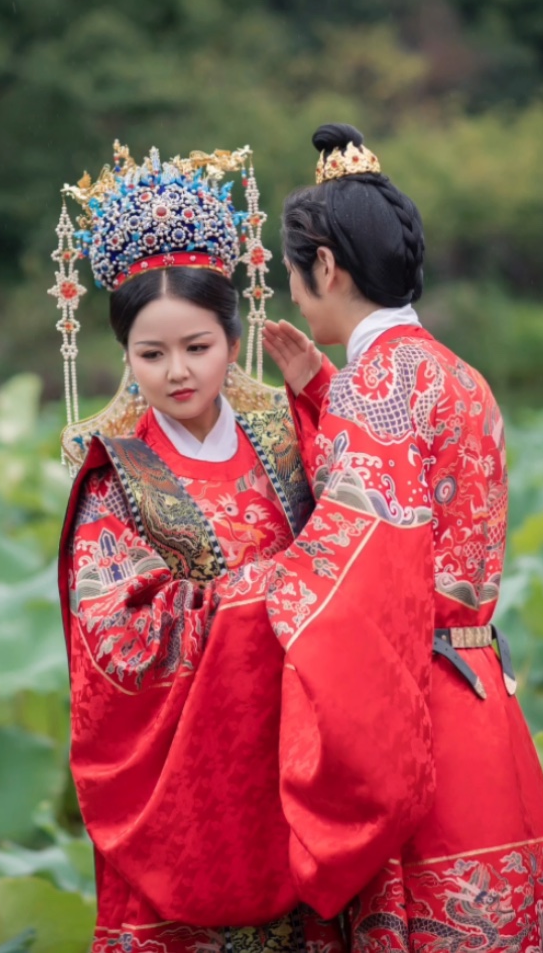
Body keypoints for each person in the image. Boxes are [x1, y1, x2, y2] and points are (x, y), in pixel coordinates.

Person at [250, 124, 543, 950]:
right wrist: (315, 390)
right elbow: (417, 492)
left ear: (325, 267)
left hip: (420, 706)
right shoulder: (453, 372)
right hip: (481, 684)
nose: (293, 294)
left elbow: (360, 556)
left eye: (292, 275)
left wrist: (247, 592)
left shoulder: (376, 385)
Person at [49, 143, 343, 950]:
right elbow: (114, 638)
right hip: (188, 781)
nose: (177, 372)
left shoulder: (286, 438)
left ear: (232, 335)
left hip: (293, 761)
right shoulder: (117, 475)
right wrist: (262, 595)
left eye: (197, 347)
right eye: (151, 354)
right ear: (123, 355)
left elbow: (355, 546)